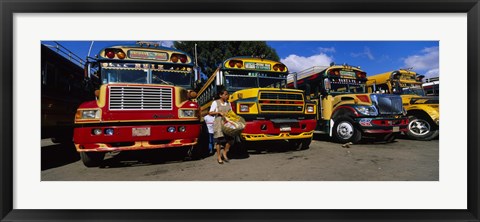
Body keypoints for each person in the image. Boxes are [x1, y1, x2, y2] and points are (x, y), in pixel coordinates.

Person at [209, 89, 234, 164]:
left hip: (227, 123)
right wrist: (219, 112)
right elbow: (210, 112)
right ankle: (219, 156)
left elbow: (231, 112)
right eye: (225, 94)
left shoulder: (228, 103)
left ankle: (225, 153)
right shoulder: (215, 102)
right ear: (220, 95)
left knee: (230, 139)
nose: (227, 96)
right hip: (219, 123)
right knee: (219, 141)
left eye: (227, 94)